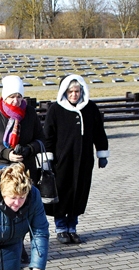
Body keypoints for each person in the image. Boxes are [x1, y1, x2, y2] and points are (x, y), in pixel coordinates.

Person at [0, 75, 45, 263]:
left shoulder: (30, 113)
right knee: (4, 212)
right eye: (11, 97)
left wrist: (29, 148)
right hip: (2, 172)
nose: (16, 101)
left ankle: (25, 246)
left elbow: (42, 140)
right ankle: (9, 248)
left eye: (19, 96)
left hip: (25, 172)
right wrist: (6, 154)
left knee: (24, 210)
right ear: (4, 97)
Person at [43, 74, 109, 245]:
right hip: (61, 162)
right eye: (71, 91)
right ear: (65, 92)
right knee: (62, 194)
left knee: (79, 194)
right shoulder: (55, 109)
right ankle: (61, 229)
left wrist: (101, 153)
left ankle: (72, 227)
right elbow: (48, 136)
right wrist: (47, 158)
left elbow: (99, 132)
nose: (74, 95)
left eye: (77, 91)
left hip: (84, 161)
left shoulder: (90, 108)